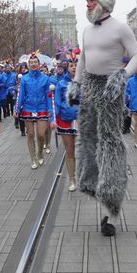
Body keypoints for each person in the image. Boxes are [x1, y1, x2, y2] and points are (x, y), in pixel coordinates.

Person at [68, 0, 137, 237]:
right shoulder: (86, 30)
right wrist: (76, 82)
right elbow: (82, 59)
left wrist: (123, 75)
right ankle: (92, 184)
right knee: (89, 140)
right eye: (87, 0)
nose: (88, 4)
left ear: (103, 2)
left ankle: (111, 207)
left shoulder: (120, 28)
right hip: (91, 87)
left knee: (110, 142)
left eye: (91, 0)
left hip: (111, 90)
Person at [14, 53, 52, 169]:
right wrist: (17, 109)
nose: (34, 64)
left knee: (41, 135)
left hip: (42, 108)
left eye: (35, 62)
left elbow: (48, 95)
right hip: (28, 108)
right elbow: (21, 95)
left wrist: (50, 109)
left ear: (39, 64)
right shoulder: (24, 79)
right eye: (31, 63)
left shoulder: (45, 79)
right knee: (30, 134)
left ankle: (40, 152)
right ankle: (33, 159)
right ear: (29, 65)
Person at [51, 60, 79, 191]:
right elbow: (56, 102)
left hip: (81, 120)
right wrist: (53, 119)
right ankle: (72, 179)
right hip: (65, 120)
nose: (74, 68)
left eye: (76, 66)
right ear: (68, 68)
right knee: (70, 149)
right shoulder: (61, 84)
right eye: (72, 66)